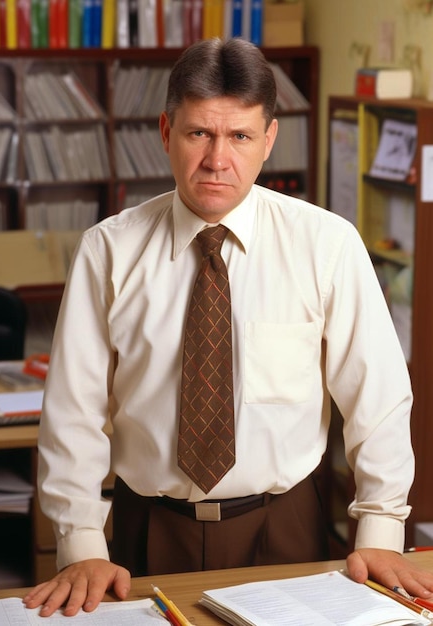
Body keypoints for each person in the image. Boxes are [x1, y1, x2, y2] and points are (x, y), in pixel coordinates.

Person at [23, 37, 433, 618]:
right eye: (199, 134)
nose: (218, 159)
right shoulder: (107, 250)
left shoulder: (327, 245)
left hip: (285, 524)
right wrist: (81, 544)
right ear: (166, 132)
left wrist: (381, 531)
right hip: (147, 530)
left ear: (268, 139)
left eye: (240, 136)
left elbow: (379, 399)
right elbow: (74, 409)